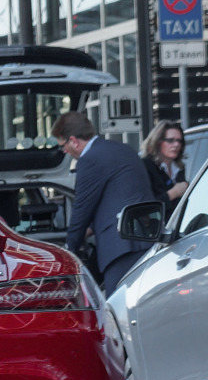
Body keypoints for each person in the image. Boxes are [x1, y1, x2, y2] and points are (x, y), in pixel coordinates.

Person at [52, 111, 156, 294]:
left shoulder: (89, 160)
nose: (65, 151)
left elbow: (82, 209)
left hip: (120, 245)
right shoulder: (122, 149)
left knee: (117, 308)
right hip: (145, 239)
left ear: (73, 140)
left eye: (63, 146)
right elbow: (116, 195)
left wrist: (69, 249)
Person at [140, 119, 189, 215]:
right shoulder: (146, 166)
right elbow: (144, 206)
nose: (176, 145)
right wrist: (173, 193)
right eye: (170, 140)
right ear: (157, 142)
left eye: (179, 141)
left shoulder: (180, 168)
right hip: (157, 227)